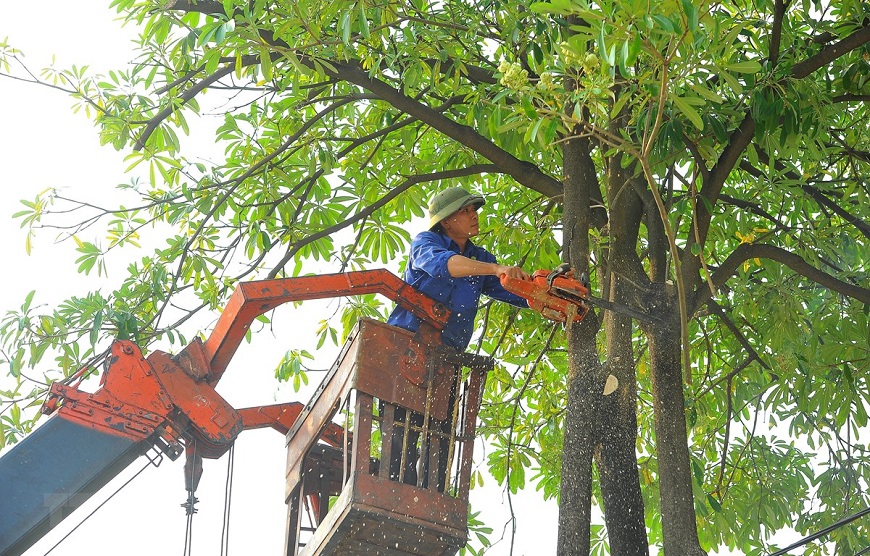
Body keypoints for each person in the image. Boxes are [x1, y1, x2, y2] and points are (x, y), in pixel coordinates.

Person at [384, 186, 531, 488]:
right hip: (407, 351)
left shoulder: (477, 256)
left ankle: (430, 502)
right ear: (446, 221)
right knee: (402, 434)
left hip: (445, 360)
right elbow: (445, 265)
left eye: (474, 210)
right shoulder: (427, 243)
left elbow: (515, 291)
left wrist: (545, 293)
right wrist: (496, 267)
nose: (474, 215)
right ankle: (396, 492)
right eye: (466, 211)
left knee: (441, 437)